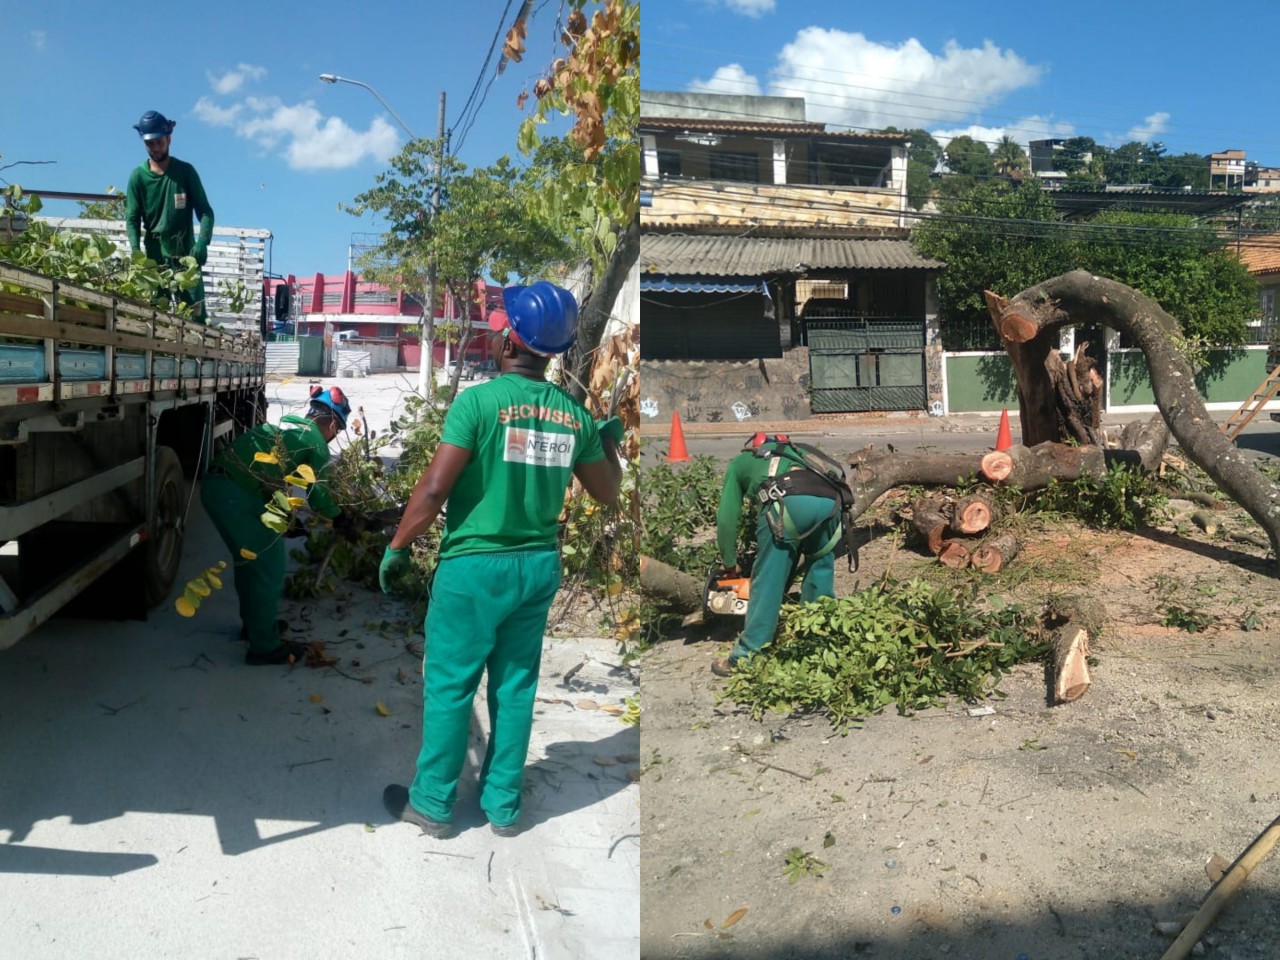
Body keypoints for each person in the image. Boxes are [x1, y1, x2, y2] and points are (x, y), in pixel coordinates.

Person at [380, 281, 624, 839]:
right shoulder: (573, 416)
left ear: (510, 343)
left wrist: (398, 547)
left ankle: (432, 803)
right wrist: (606, 440)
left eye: (499, 331)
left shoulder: (478, 403)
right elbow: (608, 492)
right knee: (515, 687)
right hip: (536, 568)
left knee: (450, 686)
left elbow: (433, 490)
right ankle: (504, 806)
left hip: (474, 569)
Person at [202, 386, 356, 665]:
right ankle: (264, 648)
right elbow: (318, 493)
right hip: (234, 495)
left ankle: (256, 627)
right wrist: (339, 517)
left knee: (249, 563)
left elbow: (268, 480)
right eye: (338, 431)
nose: (334, 437)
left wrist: (285, 519)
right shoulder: (316, 442)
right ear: (333, 424)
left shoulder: (286, 429)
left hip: (218, 487)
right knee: (269, 566)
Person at [710, 433, 843, 677]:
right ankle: (820, 645)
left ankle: (747, 656)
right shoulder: (800, 453)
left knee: (768, 580)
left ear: (752, 448)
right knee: (820, 573)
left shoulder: (740, 462)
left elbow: (727, 517)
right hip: (831, 502)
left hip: (787, 501)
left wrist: (729, 563)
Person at [125, 110, 215, 323]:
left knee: (195, 317)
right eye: (150, 143)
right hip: (155, 260)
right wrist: (136, 250)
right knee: (157, 318)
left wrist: (202, 242)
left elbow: (206, 212)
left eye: (159, 142)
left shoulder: (185, 172)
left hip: (186, 257)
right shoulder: (138, 177)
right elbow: (132, 218)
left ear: (169, 139)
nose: (155, 147)